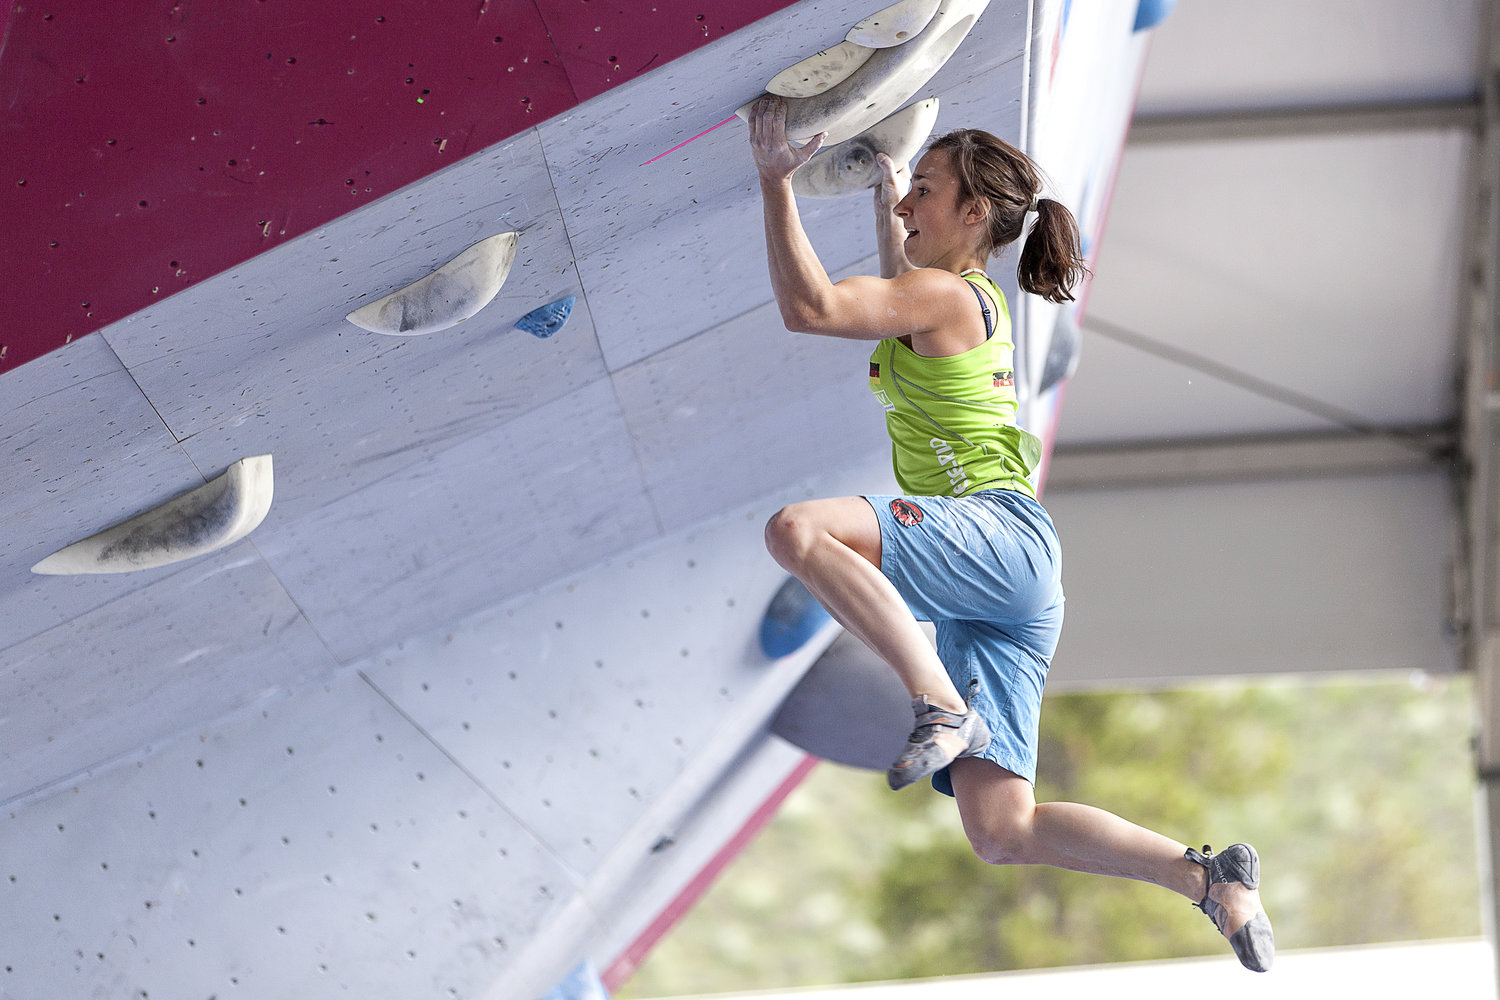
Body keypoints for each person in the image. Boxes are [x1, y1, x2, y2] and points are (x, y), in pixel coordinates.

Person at [747, 95, 1274, 973]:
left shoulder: (948, 293)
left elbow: (811, 308)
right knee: (1001, 830)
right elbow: (891, 297)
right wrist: (888, 192)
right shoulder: (949, 299)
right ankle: (1208, 879)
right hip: (1009, 580)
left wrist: (777, 183)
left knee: (798, 530)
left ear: (974, 213)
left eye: (926, 191)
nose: (912, 204)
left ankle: (938, 703)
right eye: (911, 191)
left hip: (996, 538)